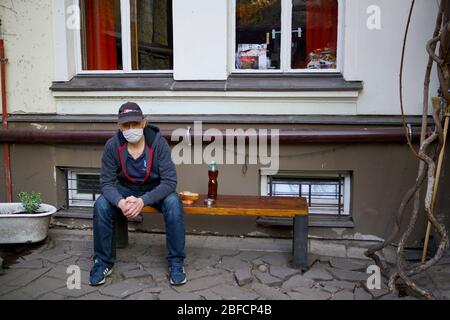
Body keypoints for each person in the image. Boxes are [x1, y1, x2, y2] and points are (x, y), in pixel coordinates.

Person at [89, 102, 186, 286]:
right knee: (101, 204)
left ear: (144, 122)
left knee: (173, 203)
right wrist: (120, 202)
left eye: (135, 124)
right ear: (119, 126)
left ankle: (176, 262)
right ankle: (102, 262)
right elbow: (107, 183)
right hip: (125, 189)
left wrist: (143, 201)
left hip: (154, 189)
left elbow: (170, 182)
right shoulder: (112, 145)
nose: (131, 129)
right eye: (126, 125)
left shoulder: (159, 143)